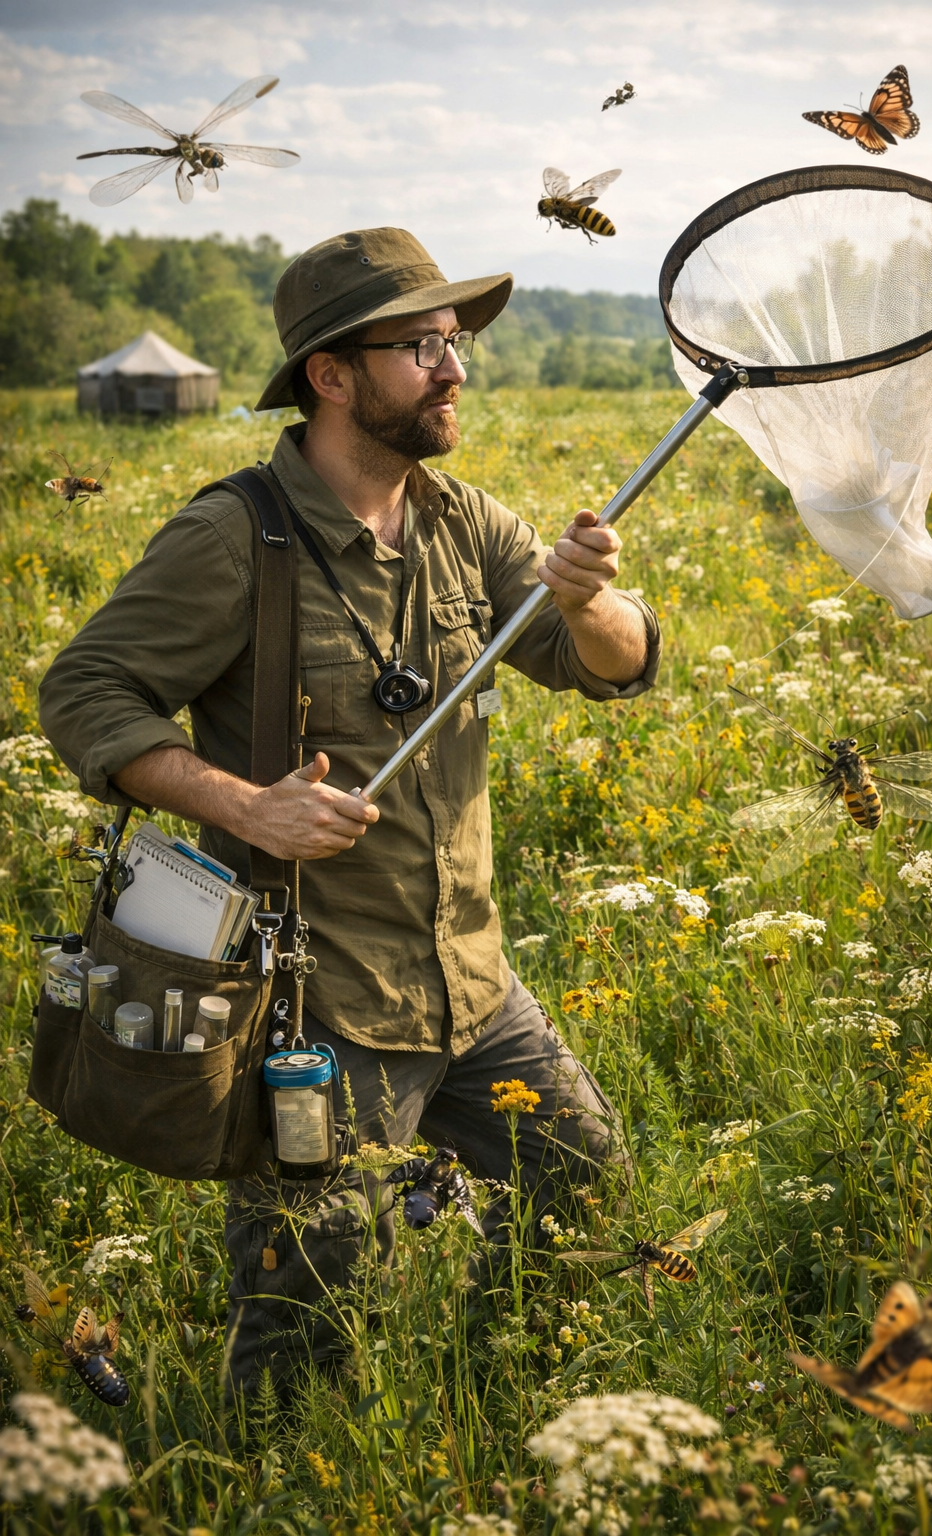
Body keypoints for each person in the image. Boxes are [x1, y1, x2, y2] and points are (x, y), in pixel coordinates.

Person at [39, 227, 662, 1395]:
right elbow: (83, 690)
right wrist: (242, 804)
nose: (454, 368)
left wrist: (589, 603)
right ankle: (269, 1468)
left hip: (472, 985)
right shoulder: (233, 537)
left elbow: (613, 665)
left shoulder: (466, 524)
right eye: (421, 347)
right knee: (311, 1322)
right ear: (331, 375)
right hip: (314, 1008)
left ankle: (500, 1398)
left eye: (456, 341)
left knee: (583, 1189)